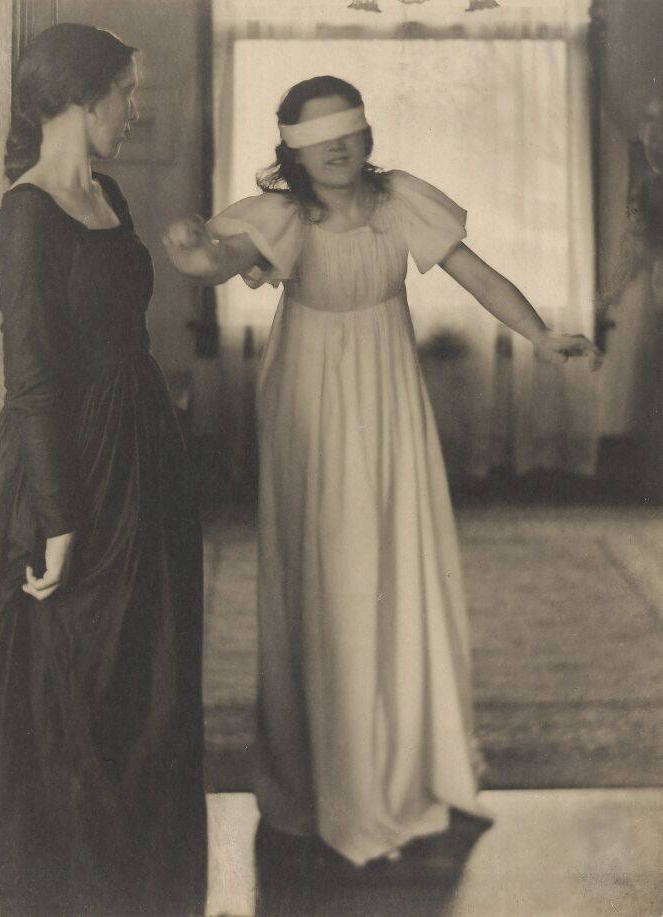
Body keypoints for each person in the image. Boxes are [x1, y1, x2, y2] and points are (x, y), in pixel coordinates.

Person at [163, 75, 601, 868]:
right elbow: (223, 257)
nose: (337, 148)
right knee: (324, 563)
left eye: (349, 133)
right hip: (308, 397)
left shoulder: (399, 199)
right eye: (319, 137)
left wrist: (539, 334)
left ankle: (404, 764)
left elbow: (475, 271)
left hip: (387, 391)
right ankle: (325, 773)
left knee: (392, 559)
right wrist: (198, 254)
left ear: (367, 137)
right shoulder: (284, 214)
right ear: (293, 152)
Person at [0, 24, 206, 916]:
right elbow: (31, 375)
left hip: (143, 454)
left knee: (150, 688)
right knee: (75, 697)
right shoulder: (25, 214)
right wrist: (59, 520)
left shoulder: (107, 194)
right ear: (77, 95)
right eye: (126, 93)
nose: (135, 111)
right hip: (68, 476)